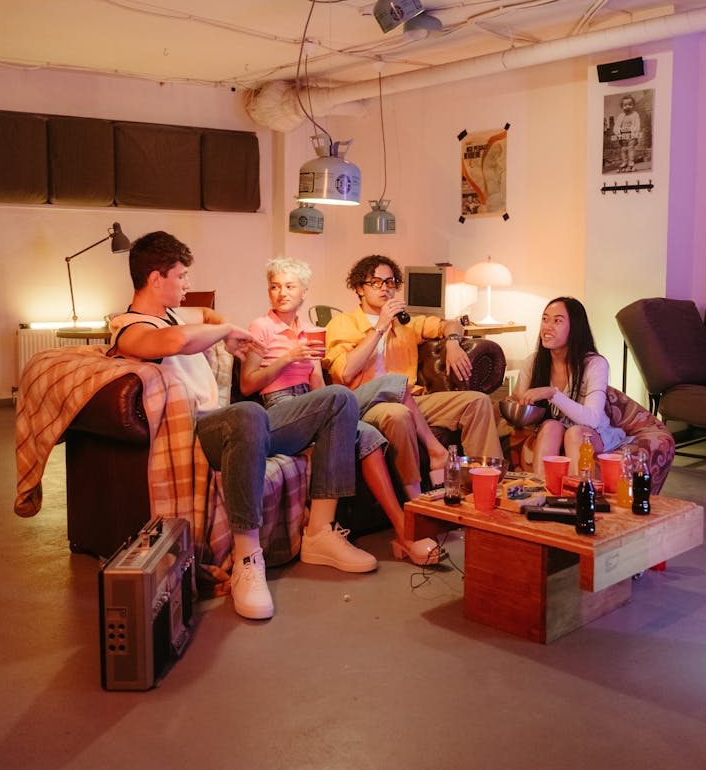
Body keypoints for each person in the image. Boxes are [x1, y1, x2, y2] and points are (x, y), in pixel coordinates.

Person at [106, 231, 376, 624]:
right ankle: (248, 558)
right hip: (200, 429)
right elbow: (177, 341)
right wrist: (226, 333)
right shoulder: (128, 326)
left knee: (338, 398)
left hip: (232, 423)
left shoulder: (176, 314)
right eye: (181, 276)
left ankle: (319, 533)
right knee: (248, 413)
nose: (187, 285)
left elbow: (206, 318)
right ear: (155, 278)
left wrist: (222, 325)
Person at [240, 257, 444, 567]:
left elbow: (319, 386)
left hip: (315, 404)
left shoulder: (311, 330)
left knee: (369, 437)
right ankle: (435, 456)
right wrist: (288, 357)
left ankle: (404, 532)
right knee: (379, 387)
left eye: (290, 286)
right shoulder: (261, 327)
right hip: (281, 408)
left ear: (304, 291)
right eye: (275, 287)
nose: (282, 293)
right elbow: (246, 384)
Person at [324, 254, 503, 500]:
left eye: (390, 282)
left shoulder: (405, 324)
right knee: (399, 414)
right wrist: (380, 328)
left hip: (412, 399)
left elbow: (449, 324)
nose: (385, 288)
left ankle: (485, 488)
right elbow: (344, 372)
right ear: (359, 289)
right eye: (376, 282)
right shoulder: (343, 323)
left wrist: (452, 342)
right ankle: (416, 501)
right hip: (367, 405)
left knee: (477, 402)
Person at [512, 296, 626, 476]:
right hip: (552, 430)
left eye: (557, 321)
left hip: (592, 432)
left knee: (574, 433)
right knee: (550, 426)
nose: (547, 327)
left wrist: (552, 394)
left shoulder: (595, 364)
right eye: (545, 319)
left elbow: (593, 419)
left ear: (574, 328)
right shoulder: (532, 363)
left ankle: (576, 498)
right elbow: (518, 403)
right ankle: (541, 494)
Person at [611, 93, 641, 172]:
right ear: (622, 106)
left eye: (630, 104)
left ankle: (631, 162)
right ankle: (624, 162)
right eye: (625, 105)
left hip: (631, 136)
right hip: (623, 137)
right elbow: (617, 125)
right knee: (623, 149)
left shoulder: (635, 114)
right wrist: (617, 132)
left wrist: (635, 132)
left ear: (633, 105)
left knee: (631, 148)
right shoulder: (621, 116)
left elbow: (637, 124)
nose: (627, 106)